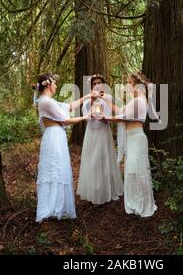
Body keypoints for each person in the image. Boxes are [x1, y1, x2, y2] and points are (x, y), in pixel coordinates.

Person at [33, 73, 97, 223]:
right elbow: (66, 119)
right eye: (54, 84)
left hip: (57, 137)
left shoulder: (48, 101)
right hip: (54, 138)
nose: (56, 86)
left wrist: (87, 97)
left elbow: (68, 107)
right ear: (48, 85)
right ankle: (50, 208)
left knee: (59, 169)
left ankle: (59, 207)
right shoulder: (45, 102)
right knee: (54, 169)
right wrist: (86, 117)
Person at [100, 72, 157, 217]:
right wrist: (106, 101)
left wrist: (108, 118)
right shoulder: (136, 100)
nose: (127, 85)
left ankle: (140, 203)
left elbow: (125, 117)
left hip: (137, 138)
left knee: (137, 170)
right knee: (133, 170)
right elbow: (121, 111)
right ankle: (136, 201)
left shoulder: (139, 100)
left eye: (129, 83)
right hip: (133, 138)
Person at [77, 74, 124, 205]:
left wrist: (104, 117)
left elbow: (110, 115)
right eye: (94, 83)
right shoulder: (88, 99)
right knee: (92, 160)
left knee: (103, 159)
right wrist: (92, 101)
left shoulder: (108, 97)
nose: (97, 85)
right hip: (91, 132)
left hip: (103, 131)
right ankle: (95, 190)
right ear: (91, 86)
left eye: (99, 83)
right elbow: (85, 114)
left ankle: (106, 190)